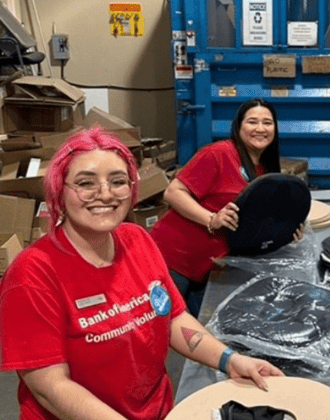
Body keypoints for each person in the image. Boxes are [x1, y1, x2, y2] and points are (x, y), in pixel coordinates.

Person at [0, 127, 283, 420]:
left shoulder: (137, 240)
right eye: (86, 183)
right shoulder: (32, 274)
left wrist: (230, 360)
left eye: (118, 181)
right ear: (59, 189)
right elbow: (50, 386)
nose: (105, 194)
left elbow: (172, 317)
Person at [151, 98, 302, 316]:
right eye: (252, 122)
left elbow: (256, 222)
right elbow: (173, 192)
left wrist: (286, 231)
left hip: (208, 267)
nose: (260, 128)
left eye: (267, 123)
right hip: (174, 257)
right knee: (160, 326)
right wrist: (211, 218)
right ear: (239, 127)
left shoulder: (265, 169)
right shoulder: (219, 154)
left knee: (199, 329)